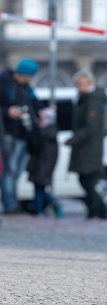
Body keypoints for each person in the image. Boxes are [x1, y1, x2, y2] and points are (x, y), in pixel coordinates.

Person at [0, 58, 43, 213]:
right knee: (10, 169)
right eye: (29, 76)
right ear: (23, 74)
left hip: (23, 134)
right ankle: (9, 204)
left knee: (17, 170)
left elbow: (35, 103)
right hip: (8, 133)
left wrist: (41, 111)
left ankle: (12, 201)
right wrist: (8, 112)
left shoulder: (26, 88)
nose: (30, 79)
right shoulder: (3, 85)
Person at [65, 71, 107, 219]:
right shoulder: (85, 99)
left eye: (81, 84)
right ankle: (96, 211)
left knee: (88, 180)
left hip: (90, 148)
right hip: (86, 147)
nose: (78, 87)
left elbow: (90, 127)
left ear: (89, 83)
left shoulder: (92, 101)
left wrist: (72, 140)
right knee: (86, 180)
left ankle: (98, 211)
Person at [26, 107, 63, 218]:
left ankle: (41, 210)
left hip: (41, 166)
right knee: (39, 190)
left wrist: (35, 127)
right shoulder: (50, 132)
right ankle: (45, 207)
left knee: (39, 190)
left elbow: (35, 144)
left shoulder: (45, 132)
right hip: (42, 166)